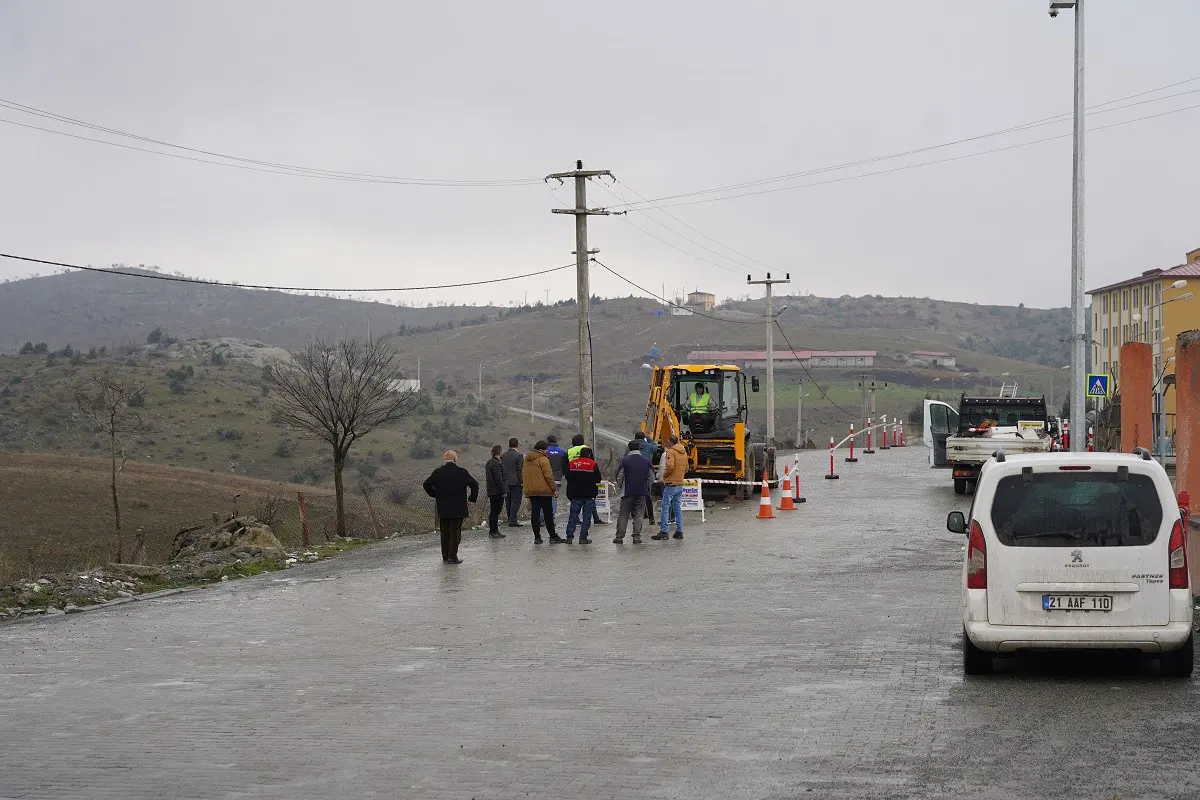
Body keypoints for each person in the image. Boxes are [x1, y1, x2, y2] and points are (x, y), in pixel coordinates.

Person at [422, 450, 479, 564]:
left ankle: (445, 556)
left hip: (443, 508)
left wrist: (436, 495)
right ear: (455, 459)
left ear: (445, 460)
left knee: (444, 532)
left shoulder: (437, 472)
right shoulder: (462, 472)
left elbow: (426, 484)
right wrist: (472, 499)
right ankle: (452, 557)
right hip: (458, 508)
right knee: (455, 532)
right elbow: (475, 484)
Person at [522, 440, 563, 543]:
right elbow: (548, 476)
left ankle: (537, 537)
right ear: (541, 449)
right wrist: (553, 489)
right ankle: (553, 536)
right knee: (548, 514)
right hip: (544, 491)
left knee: (535, 514)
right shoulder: (543, 459)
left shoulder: (527, 460)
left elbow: (524, 475)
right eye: (545, 450)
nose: (546, 452)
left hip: (532, 491)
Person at [614, 440, 652, 544]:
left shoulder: (625, 460)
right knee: (639, 515)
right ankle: (636, 537)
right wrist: (647, 487)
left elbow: (619, 476)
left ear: (629, 448)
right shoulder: (646, 460)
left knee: (624, 515)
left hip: (627, 492)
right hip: (642, 492)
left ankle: (619, 537)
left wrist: (621, 486)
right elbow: (651, 477)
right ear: (639, 448)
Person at [652, 435, 687, 541]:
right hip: (680, 483)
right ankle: (679, 531)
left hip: (671, 484)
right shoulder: (684, 451)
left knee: (665, 507)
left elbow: (670, 466)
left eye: (668, 441)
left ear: (671, 443)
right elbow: (687, 468)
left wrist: (665, 476)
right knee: (677, 508)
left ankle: (664, 531)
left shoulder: (671, 452)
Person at [564, 446, 602, 543]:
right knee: (587, 517)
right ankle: (583, 538)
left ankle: (569, 537)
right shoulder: (593, 464)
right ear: (589, 454)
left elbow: (567, 477)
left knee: (573, 516)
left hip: (575, 494)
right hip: (588, 495)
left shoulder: (572, 463)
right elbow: (598, 479)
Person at [567, 432, 606, 524]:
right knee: (589, 499)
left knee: (575, 500)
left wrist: (569, 477)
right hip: (587, 477)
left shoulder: (569, 451)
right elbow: (592, 463)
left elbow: (566, 466)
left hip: (574, 477)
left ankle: (575, 520)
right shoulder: (587, 449)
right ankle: (595, 518)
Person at [543, 434, 569, 524]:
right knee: (554, 498)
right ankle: (551, 518)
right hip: (557, 478)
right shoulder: (562, 452)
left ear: (548, 441)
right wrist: (562, 475)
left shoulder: (544, 452)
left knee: (544, 498)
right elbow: (565, 466)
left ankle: (543, 518)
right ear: (556, 441)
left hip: (545, 478)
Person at [484, 444, 507, 538]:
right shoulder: (496, 464)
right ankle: (494, 531)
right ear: (499, 452)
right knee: (495, 511)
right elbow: (499, 479)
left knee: (494, 511)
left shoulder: (489, 462)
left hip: (491, 490)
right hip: (497, 491)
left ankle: (493, 530)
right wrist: (504, 490)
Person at [500, 437, 524, 527]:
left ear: (509, 445)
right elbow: (520, 470)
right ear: (517, 445)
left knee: (508, 501)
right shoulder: (519, 456)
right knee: (516, 501)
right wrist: (522, 481)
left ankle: (510, 518)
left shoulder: (503, 455)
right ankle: (513, 520)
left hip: (505, 482)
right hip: (516, 482)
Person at [635, 431, 657, 522]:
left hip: (634, 472)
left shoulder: (632, 446)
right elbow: (655, 447)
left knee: (636, 495)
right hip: (646, 472)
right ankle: (651, 518)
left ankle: (641, 514)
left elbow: (625, 457)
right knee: (647, 495)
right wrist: (648, 438)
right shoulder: (649, 446)